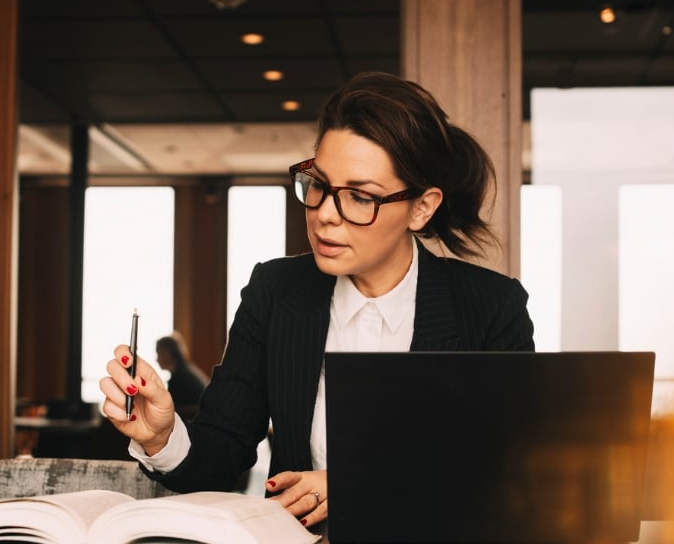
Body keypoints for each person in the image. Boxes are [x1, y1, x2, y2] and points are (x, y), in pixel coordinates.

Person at [100, 71, 534, 529]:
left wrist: (357, 483)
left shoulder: (489, 306)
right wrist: (163, 437)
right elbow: (222, 455)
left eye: (359, 197)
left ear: (422, 207)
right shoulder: (275, 291)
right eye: (320, 185)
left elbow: (503, 474)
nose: (326, 214)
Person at [155, 334, 209, 420]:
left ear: (167, 354)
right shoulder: (187, 370)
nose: (156, 359)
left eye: (159, 354)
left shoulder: (179, 379)